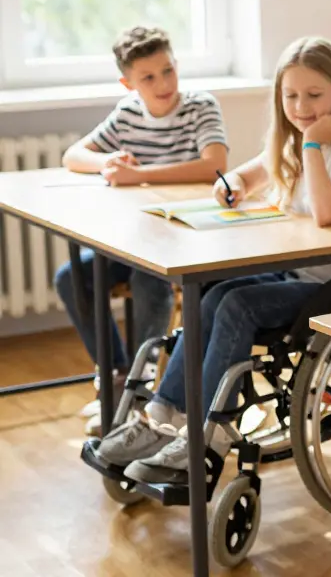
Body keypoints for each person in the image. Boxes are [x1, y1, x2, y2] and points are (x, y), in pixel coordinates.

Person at [95, 36, 331, 485]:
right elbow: (245, 175)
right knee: (212, 294)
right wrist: (230, 184)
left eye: (314, 95)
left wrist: (312, 144)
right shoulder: (292, 143)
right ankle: (163, 413)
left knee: (239, 306)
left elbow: (327, 211)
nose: (301, 106)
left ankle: (209, 436)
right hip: (299, 269)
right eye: (290, 95)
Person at [57, 25, 228, 435]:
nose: (163, 84)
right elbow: (72, 155)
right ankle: (117, 377)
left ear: (176, 65)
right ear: (128, 83)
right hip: (134, 238)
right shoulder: (129, 113)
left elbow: (214, 164)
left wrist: (141, 176)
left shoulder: (200, 106)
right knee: (72, 277)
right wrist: (109, 163)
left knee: (149, 281)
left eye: (167, 71)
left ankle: (141, 388)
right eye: (148, 77)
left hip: (185, 239)